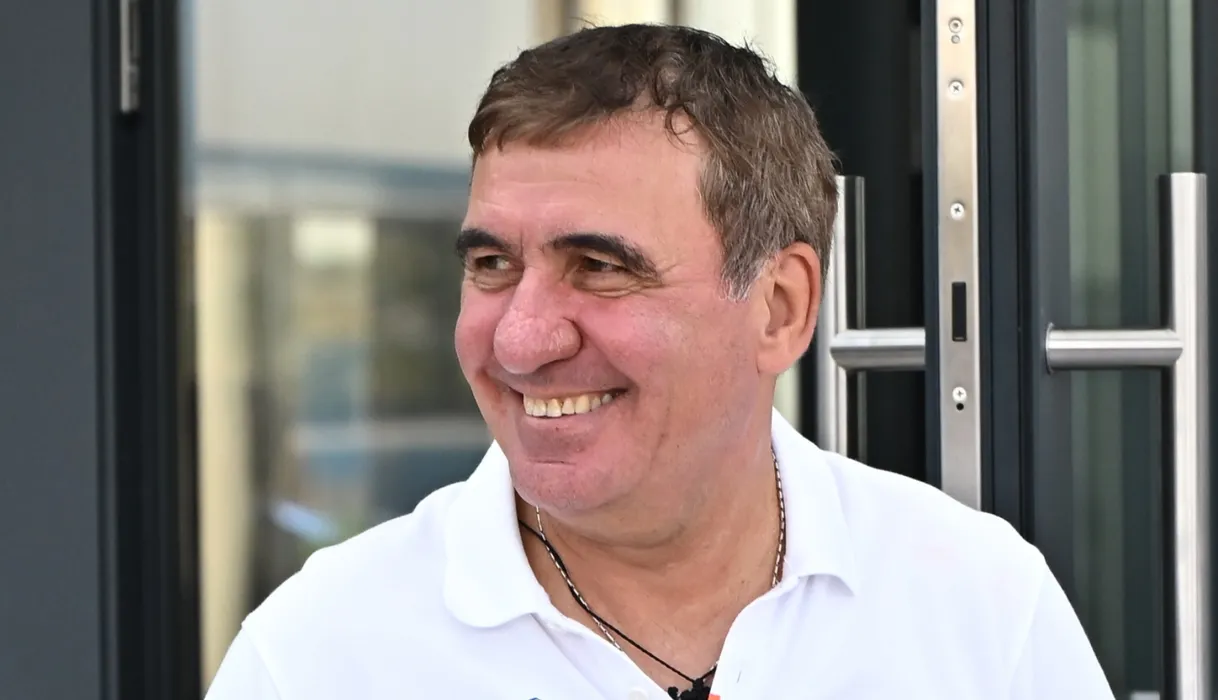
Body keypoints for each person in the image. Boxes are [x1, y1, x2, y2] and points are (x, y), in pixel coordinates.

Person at [205, 23, 1112, 700]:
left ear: (780, 306)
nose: (520, 339)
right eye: (492, 265)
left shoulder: (980, 609)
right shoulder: (317, 659)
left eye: (600, 267)